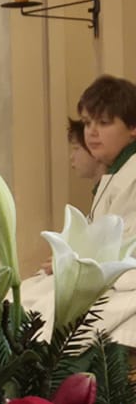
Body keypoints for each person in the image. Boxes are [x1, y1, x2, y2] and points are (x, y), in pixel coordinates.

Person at [24, 76, 136, 343]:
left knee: (43, 312)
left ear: (133, 127)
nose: (92, 132)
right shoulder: (118, 172)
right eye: (87, 123)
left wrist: (73, 264)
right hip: (106, 278)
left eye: (104, 123)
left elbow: (127, 251)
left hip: (125, 284)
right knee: (26, 298)